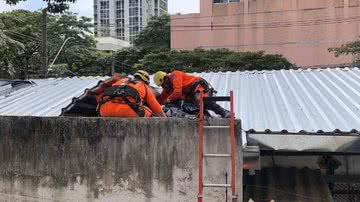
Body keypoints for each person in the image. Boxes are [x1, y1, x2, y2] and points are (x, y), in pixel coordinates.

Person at [153, 70, 230, 118]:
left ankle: (224, 112)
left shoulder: (175, 75)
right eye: (162, 86)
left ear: (166, 78)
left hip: (197, 86)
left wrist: (168, 99)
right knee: (189, 105)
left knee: (202, 100)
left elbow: (177, 92)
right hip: (190, 94)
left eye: (164, 84)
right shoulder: (168, 88)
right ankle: (203, 114)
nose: (164, 87)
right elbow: (161, 99)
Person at [96, 70, 166, 118]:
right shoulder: (144, 86)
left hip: (105, 110)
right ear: (146, 81)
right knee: (149, 111)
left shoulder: (120, 81)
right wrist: (165, 119)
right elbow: (157, 108)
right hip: (126, 110)